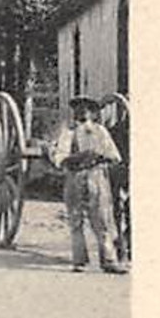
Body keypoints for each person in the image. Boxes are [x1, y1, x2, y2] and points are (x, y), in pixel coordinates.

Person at [50, 96, 125, 273]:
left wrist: (100, 156)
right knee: (76, 220)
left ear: (93, 112)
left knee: (102, 219)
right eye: (78, 108)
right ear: (74, 112)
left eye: (86, 108)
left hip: (97, 177)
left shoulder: (101, 131)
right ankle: (79, 260)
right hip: (75, 177)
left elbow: (115, 156)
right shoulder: (68, 132)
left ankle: (108, 260)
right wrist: (78, 157)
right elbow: (60, 158)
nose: (82, 112)